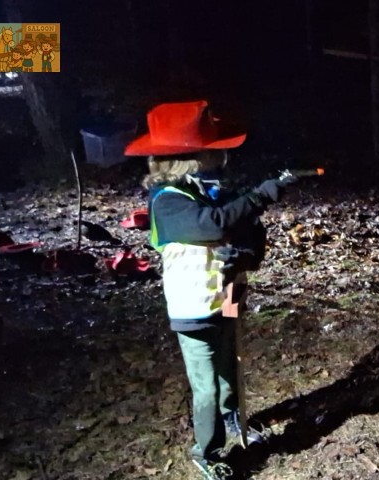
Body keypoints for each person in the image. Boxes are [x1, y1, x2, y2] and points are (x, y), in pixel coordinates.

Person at [125, 100, 287, 479]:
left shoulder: (207, 192)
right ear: (192, 158)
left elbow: (246, 231)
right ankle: (207, 451)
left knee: (231, 363)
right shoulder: (168, 202)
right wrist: (259, 197)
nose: (222, 158)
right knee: (207, 387)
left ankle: (234, 421)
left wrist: (245, 251)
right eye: (214, 151)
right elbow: (212, 225)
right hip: (195, 309)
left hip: (227, 297)